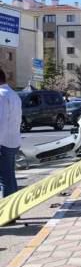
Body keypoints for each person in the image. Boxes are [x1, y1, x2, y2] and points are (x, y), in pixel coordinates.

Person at [0, 69, 22, 202]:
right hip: (13, 141)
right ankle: (14, 210)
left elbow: (1, 122)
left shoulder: (1, 96)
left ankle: (7, 214)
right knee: (10, 177)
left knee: (4, 178)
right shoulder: (13, 94)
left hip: (3, 143)